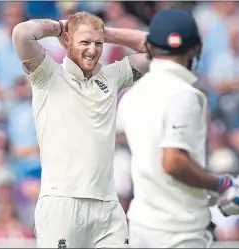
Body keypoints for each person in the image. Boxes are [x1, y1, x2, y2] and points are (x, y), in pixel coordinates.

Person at [117, 8, 239, 248]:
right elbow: (173, 162)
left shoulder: (132, 97)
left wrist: (211, 190)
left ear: (151, 48)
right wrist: (221, 184)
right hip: (178, 232)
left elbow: (156, 164)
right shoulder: (184, 95)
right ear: (195, 48)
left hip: (141, 226)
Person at [11, 11, 149, 248]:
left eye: (98, 44)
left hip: (108, 205)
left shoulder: (113, 76)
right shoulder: (47, 74)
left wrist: (103, 32)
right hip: (61, 203)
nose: (92, 50)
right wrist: (61, 27)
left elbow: (155, 48)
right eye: (84, 42)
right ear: (67, 41)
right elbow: (22, 33)